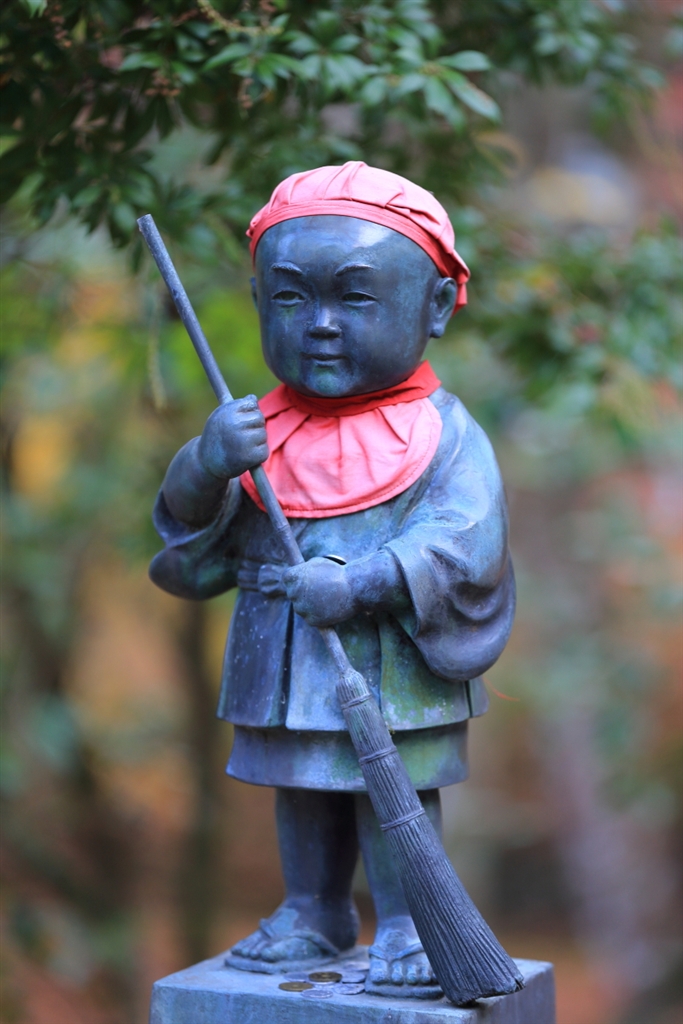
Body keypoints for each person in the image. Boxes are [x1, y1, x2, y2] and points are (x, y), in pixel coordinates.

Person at [149, 162, 515, 999]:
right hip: (283, 653)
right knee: (304, 783)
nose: (319, 324)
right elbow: (189, 537)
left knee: (393, 787)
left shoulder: (440, 435)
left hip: (390, 660)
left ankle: (407, 922)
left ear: (433, 307)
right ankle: (312, 907)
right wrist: (206, 462)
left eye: (353, 298)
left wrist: (365, 580)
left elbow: (466, 541)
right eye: (289, 298)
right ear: (256, 300)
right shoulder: (256, 431)